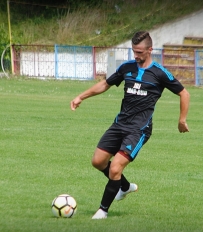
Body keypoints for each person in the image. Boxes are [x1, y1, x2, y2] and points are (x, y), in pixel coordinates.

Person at [70, 31, 190, 219]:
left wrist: (182, 120)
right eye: (134, 51)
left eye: (140, 52)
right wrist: (81, 97)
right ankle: (124, 187)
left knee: (116, 168)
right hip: (120, 124)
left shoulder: (160, 73)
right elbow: (105, 84)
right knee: (98, 162)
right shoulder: (127, 67)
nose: (136, 55)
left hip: (139, 129)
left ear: (150, 50)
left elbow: (184, 93)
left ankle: (102, 211)